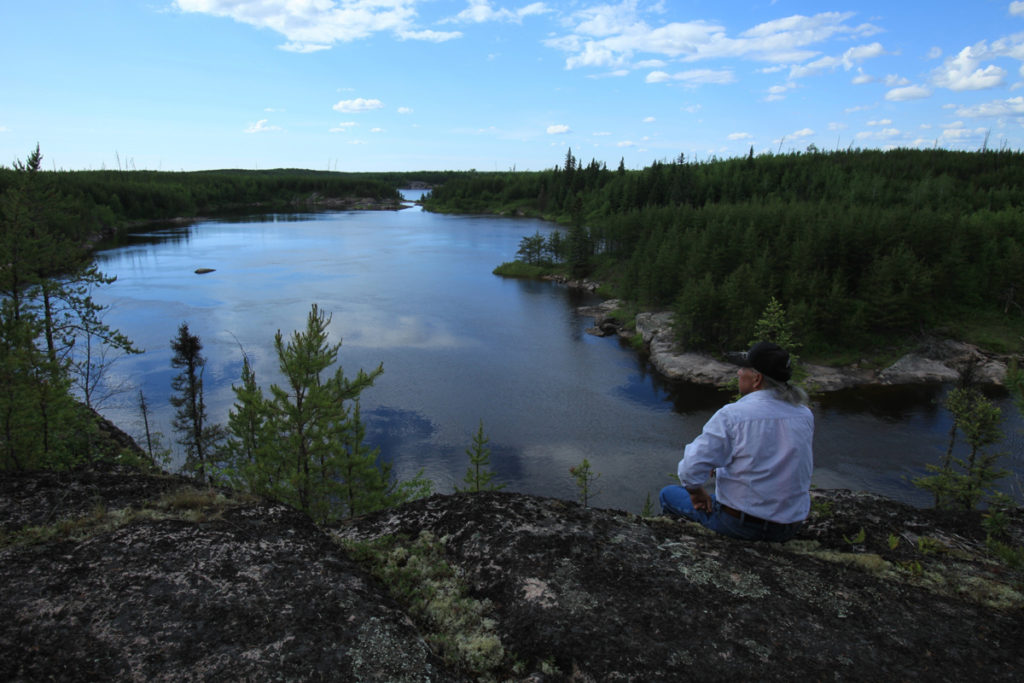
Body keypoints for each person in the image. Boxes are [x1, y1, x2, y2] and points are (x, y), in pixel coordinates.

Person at [659, 341, 814, 542]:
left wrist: (697, 493)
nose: (738, 373)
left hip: (742, 526)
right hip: (789, 526)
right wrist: (722, 466)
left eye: (742, 369)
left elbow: (690, 469)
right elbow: (768, 456)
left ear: (756, 379)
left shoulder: (733, 415)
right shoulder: (804, 414)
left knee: (669, 494)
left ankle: (679, 540)